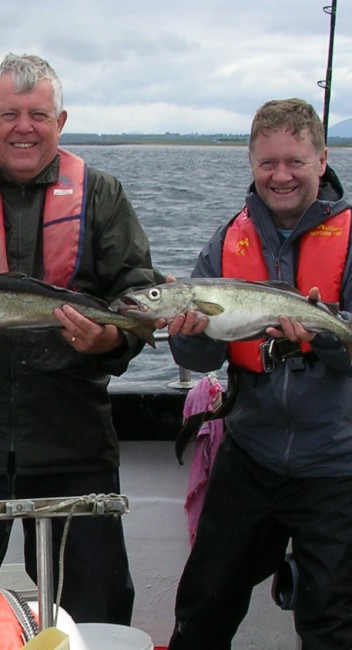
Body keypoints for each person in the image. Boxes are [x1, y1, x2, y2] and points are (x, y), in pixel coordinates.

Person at [0, 53, 162, 624]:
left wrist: (109, 343)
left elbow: (139, 293)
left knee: (98, 611)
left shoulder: (102, 195)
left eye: (38, 114)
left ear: (60, 122)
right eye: (10, 114)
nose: (24, 127)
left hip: (74, 441)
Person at [166, 98, 352, 649]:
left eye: (295, 161)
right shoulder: (227, 243)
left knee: (330, 624)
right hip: (250, 457)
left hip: (337, 467)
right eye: (268, 163)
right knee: (201, 610)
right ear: (250, 163)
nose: (281, 175)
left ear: (321, 159)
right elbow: (197, 362)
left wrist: (321, 332)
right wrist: (188, 331)